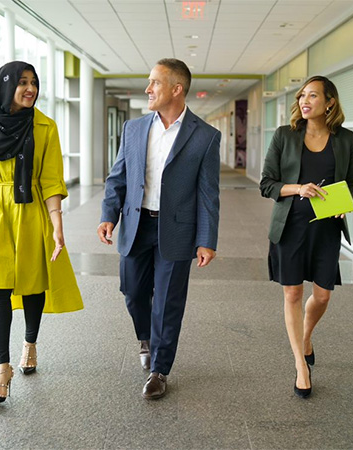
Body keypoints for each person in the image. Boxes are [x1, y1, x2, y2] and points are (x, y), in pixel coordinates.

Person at [0, 61, 83, 404]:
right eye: (23, 82)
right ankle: (1, 370)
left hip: (31, 210)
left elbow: (52, 179)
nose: (30, 89)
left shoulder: (45, 127)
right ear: (5, 85)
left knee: (31, 284)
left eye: (34, 83)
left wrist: (57, 223)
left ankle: (30, 343)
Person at [97, 58, 221, 400]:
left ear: (177, 89)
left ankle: (159, 370)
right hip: (136, 226)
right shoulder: (133, 129)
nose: (148, 89)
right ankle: (146, 338)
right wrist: (109, 214)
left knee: (168, 302)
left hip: (177, 231)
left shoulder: (205, 137)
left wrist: (206, 240)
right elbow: (118, 177)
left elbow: (209, 193)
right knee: (133, 292)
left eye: (155, 83)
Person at [259, 75, 353, 398]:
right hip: (290, 226)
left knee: (323, 295)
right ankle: (301, 366)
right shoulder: (285, 136)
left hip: (326, 228)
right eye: (303, 95)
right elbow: (267, 184)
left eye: (313, 96)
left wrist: (346, 204)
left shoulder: (345, 139)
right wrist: (297, 188)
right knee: (292, 295)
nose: (305, 101)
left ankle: (305, 334)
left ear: (330, 102)